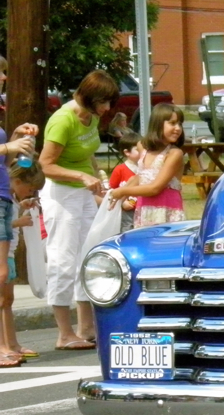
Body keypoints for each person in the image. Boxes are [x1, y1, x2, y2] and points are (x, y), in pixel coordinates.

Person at [39, 69, 120, 351]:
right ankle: (63, 332)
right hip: (61, 195)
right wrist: (80, 177)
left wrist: (99, 179)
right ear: (87, 97)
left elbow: (86, 154)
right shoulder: (62, 120)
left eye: (109, 102)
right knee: (62, 260)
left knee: (89, 257)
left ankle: (85, 327)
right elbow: (45, 164)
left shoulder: (92, 117)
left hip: (84, 193)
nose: (106, 108)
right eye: (103, 102)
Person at [109, 103, 185, 227]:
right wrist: (120, 198)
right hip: (144, 210)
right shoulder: (142, 148)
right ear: (158, 124)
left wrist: (123, 190)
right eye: (172, 123)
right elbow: (140, 177)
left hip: (167, 212)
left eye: (180, 124)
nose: (178, 128)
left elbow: (155, 188)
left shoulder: (174, 154)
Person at [3, 160, 46, 365]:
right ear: (17, 181)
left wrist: (22, 207)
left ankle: (12, 343)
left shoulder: (10, 198)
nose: (30, 193)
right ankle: (4, 346)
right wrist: (17, 222)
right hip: (4, 252)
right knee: (2, 300)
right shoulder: (3, 197)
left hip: (9, 252)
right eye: (29, 189)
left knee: (7, 301)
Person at [107, 131, 142, 233]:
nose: (142, 152)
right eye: (138, 150)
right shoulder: (120, 170)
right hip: (127, 211)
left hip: (143, 208)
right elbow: (111, 191)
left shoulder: (145, 169)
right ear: (127, 152)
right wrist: (122, 203)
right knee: (128, 231)